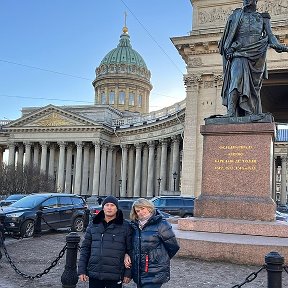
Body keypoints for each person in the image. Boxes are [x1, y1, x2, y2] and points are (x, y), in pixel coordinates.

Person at [219, 0, 288, 117]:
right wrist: (230, 48)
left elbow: (271, 37)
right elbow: (228, 38)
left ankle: (249, 114)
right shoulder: (236, 15)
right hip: (239, 53)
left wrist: (282, 47)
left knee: (252, 89)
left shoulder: (263, 18)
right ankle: (231, 112)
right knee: (236, 79)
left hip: (257, 55)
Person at [78, 195, 132, 288]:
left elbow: (131, 250)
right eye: (107, 205)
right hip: (95, 273)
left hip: (115, 274)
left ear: (117, 208)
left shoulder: (126, 227)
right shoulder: (93, 225)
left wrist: (128, 273)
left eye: (112, 205)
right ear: (103, 207)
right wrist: (82, 269)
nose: (109, 208)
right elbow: (85, 248)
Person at [124, 198, 179, 288]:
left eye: (143, 208)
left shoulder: (161, 224)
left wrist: (159, 258)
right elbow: (131, 245)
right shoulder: (134, 226)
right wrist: (127, 254)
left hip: (155, 271)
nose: (141, 212)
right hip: (139, 271)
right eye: (138, 210)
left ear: (149, 208)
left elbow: (173, 246)